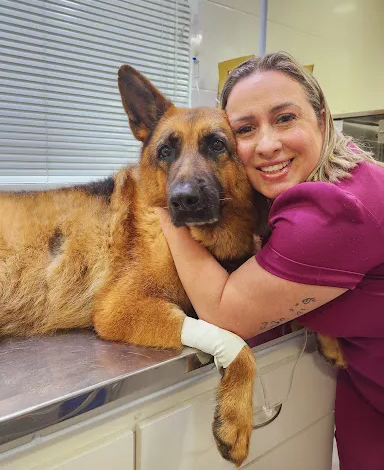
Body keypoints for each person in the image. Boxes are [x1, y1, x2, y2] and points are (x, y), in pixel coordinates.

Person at [157, 52, 384, 470]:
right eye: (245, 128)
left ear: (320, 118)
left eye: (284, 118)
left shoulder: (335, 211)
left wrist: (164, 213)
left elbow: (228, 314)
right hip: (364, 383)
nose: (267, 144)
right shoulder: (341, 167)